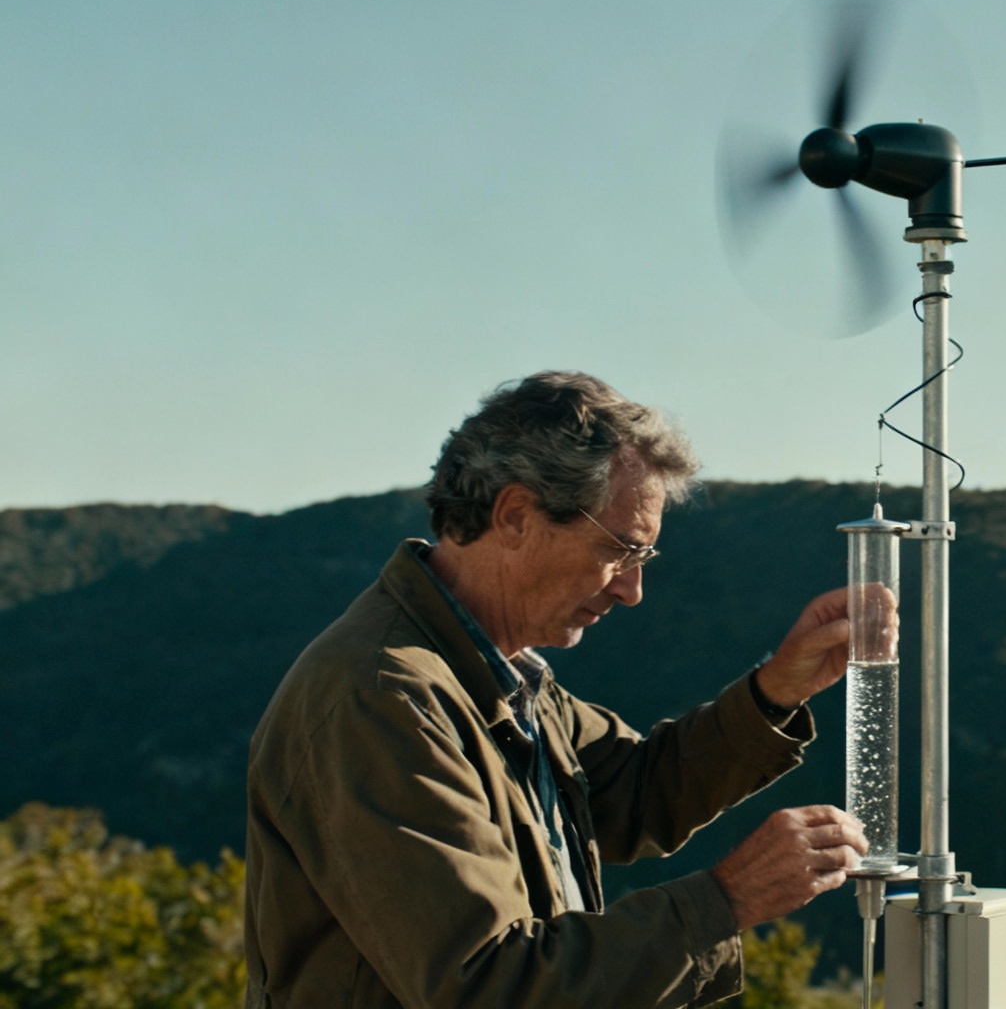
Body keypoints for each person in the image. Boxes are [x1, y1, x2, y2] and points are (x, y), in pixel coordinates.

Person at [243, 371, 869, 1009]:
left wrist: (776, 691)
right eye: (620, 550)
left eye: (642, 560)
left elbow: (637, 792)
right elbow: (490, 986)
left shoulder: (496, 674)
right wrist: (727, 900)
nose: (631, 590)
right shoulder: (381, 696)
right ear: (515, 515)